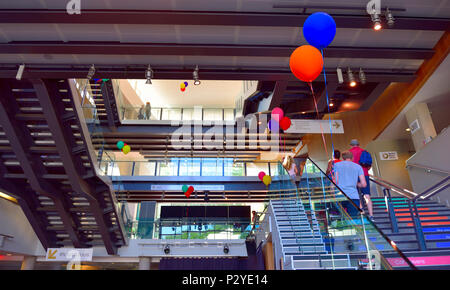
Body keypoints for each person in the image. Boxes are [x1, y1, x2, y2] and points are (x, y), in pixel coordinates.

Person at [334, 151, 367, 218]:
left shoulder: (336, 165)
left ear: (343, 158)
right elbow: (364, 184)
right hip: (353, 196)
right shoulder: (358, 167)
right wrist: (356, 183)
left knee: (341, 218)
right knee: (353, 219)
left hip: (340, 196)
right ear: (352, 158)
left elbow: (336, 181)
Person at [349, 139, 374, 220]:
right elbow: (369, 164)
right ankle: (371, 215)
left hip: (354, 175)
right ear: (358, 144)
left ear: (351, 145)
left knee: (356, 195)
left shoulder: (349, 153)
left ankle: (362, 212)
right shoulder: (364, 151)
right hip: (364, 174)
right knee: (367, 196)